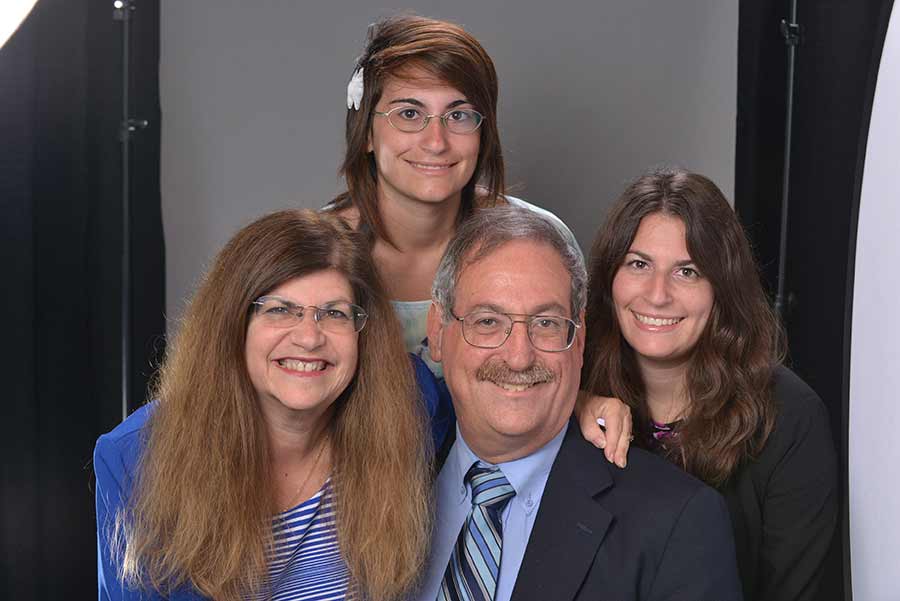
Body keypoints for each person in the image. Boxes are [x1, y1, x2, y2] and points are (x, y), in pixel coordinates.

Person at [329, 14, 633, 463]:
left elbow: (556, 359)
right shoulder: (318, 254)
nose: (436, 141)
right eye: (409, 114)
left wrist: (582, 401)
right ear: (367, 132)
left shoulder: (538, 241)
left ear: (483, 129)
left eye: (459, 115)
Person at [94, 210, 432, 601]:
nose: (309, 337)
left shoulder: (412, 405)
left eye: (334, 313)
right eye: (279, 309)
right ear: (232, 324)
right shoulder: (134, 457)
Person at [416, 206, 742, 601]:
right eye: (488, 322)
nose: (519, 357)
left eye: (547, 324)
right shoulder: (379, 486)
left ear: (580, 339)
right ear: (437, 331)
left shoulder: (676, 524)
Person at [580, 168, 838, 601]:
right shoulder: (571, 388)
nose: (657, 294)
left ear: (723, 286)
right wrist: (574, 401)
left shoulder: (790, 418)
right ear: (610, 278)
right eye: (639, 264)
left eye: (687, 271)